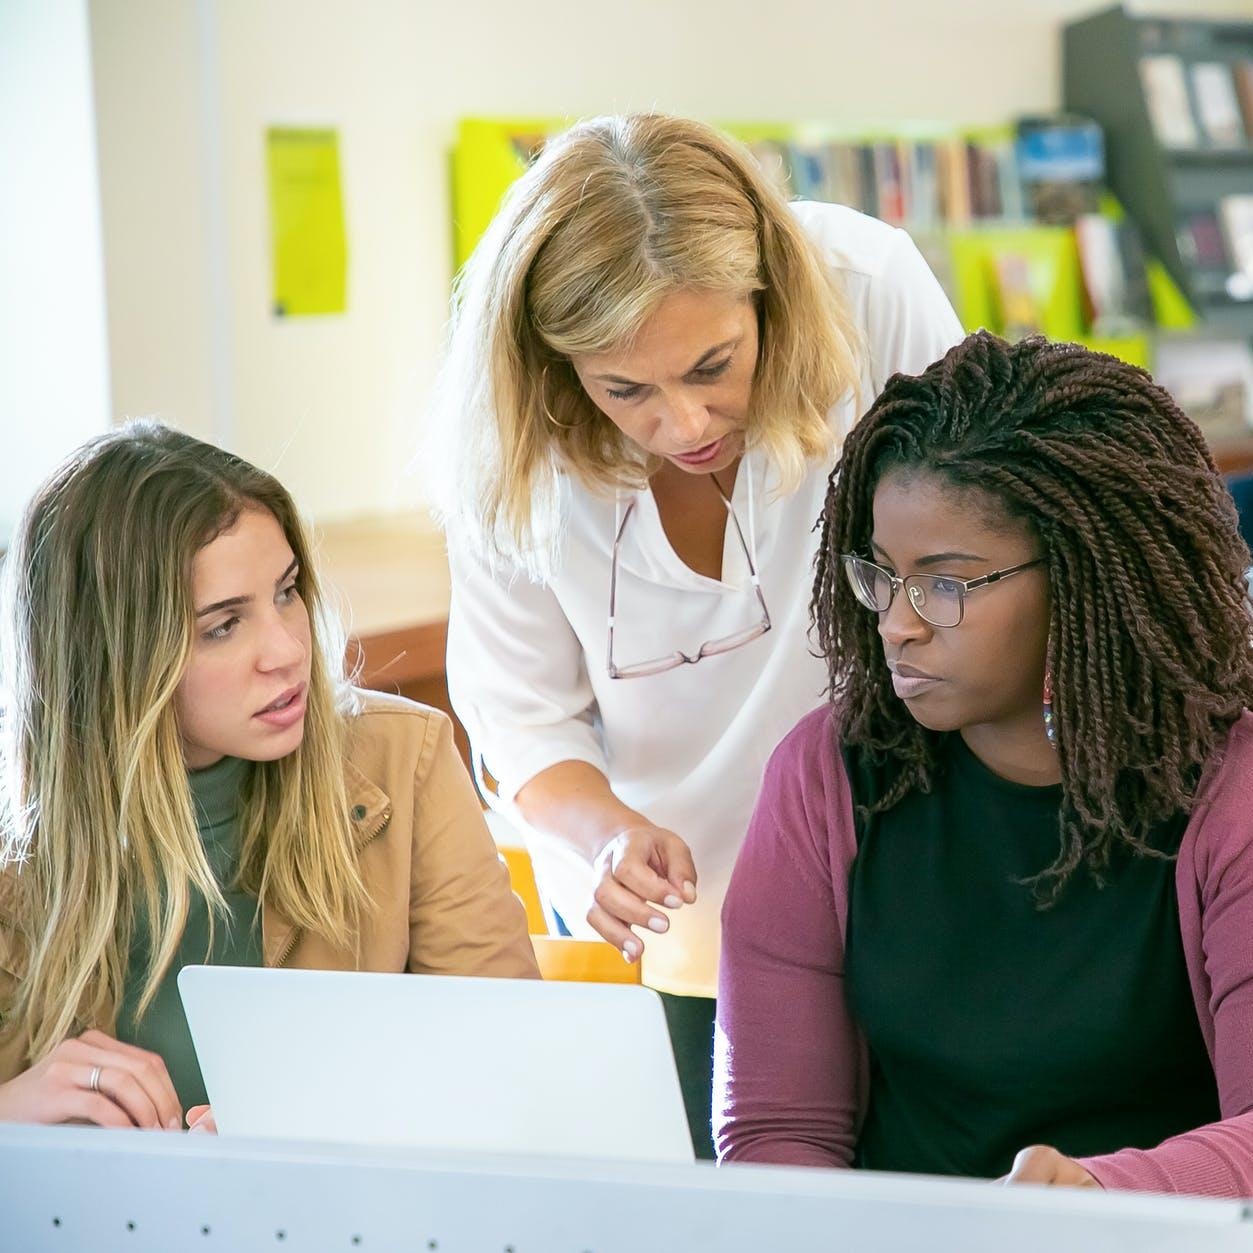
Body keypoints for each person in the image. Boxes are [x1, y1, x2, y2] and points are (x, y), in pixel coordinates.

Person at [430, 113, 963, 1155]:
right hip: (685, 933)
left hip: (919, 874)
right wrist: (599, 841)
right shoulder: (511, 443)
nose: (684, 423)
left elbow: (973, 546)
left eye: (713, 363)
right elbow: (522, 717)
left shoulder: (868, 288)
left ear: (769, 291)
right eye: (624, 388)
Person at [715, 332, 1253, 1195]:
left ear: (1085, 580)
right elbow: (777, 1132)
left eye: (943, 583)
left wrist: (1090, 1196)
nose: (896, 622)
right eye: (879, 575)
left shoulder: (1233, 793)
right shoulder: (824, 776)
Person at [0, 422, 537, 1133]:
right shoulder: (20, 844)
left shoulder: (402, 759)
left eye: (287, 592)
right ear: (112, 659)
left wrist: (331, 1124)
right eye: (223, 625)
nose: (287, 649)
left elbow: (512, 1066)